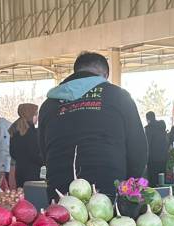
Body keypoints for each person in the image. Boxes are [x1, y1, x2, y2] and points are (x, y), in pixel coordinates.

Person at [38, 51, 147, 201]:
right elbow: (138, 150)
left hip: (61, 193)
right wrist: (129, 189)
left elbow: (44, 151)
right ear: (104, 74)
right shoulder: (118, 96)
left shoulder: (48, 105)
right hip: (108, 189)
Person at [8, 103, 41, 188]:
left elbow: (12, 153)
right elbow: (34, 154)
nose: (37, 117)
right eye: (36, 114)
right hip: (32, 173)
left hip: (19, 172)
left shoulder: (14, 130)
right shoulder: (31, 133)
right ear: (30, 115)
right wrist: (44, 161)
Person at [144, 111, 169, 181]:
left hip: (153, 160)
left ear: (148, 119)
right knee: (161, 179)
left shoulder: (148, 129)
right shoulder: (162, 127)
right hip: (163, 158)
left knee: (153, 181)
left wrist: (146, 159)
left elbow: (147, 145)